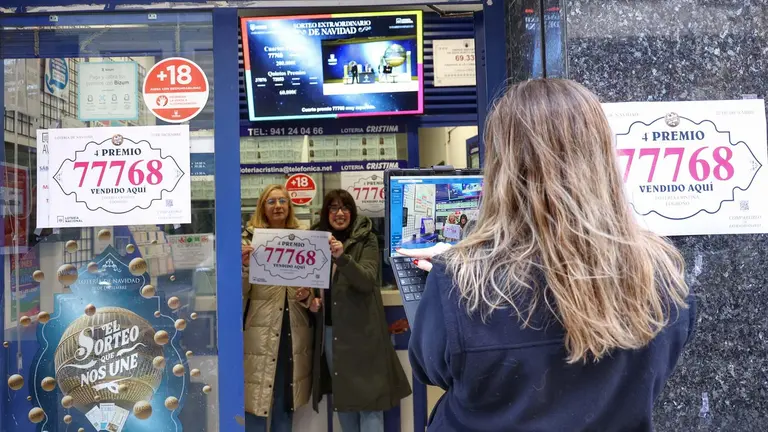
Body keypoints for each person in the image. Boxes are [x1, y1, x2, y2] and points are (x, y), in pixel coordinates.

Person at [401, 79, 696, 431]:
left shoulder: (458, 282)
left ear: (502, 169)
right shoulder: (662, 274)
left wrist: (457, 272)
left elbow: (430, 368)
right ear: (601, 155)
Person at [311, 189, 411, 432]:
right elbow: (313, 282)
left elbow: (366, 280)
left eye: (345, 208)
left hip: (362, 334)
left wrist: (342, 257)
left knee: (369, 403)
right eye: (333, 208)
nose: (339, 213)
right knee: (344, 402)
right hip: (331, 332)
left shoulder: (366, 238)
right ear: (326, 213)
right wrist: (310, 298)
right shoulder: (314, 240)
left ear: (352, 212)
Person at [241, 184, 319, 432]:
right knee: (256, 399)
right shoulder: (248, 240)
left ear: (290, 206)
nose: (278, 206)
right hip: (260, 332)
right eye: (271, 202)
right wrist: (243, 267)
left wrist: (307, 295)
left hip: (292, 330)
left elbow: (312, 293)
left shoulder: (304, 239)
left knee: (286, 400)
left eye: (282, 201)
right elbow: (239, 293)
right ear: (262, 207)